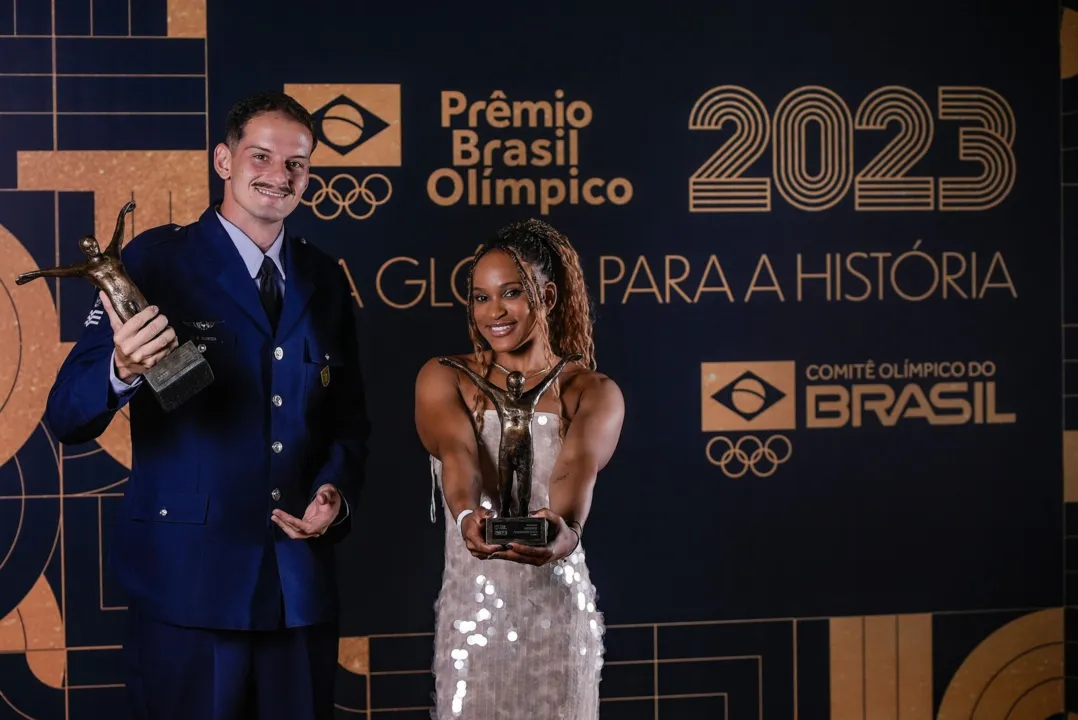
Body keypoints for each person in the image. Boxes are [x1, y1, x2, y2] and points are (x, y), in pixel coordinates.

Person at [43, 91, 370, 720]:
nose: (279, 176)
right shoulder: (152, 261)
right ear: (223, 160)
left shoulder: (324, 276)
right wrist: (121, 368)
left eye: (296, 163)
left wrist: (334, 490)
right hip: (187, 581)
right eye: (261, 156)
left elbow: (348, 420)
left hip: (296, 586)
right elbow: (65, 413)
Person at [414, 218, 625, 719]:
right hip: (472, 621)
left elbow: (574, 471)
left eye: (511, 293)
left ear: (547, 297)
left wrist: (564, 529)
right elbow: (457, 453)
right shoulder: (444, 377)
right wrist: (468, 516)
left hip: (557, 617)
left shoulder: (592, 391)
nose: (493, 312)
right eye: (481, 297)